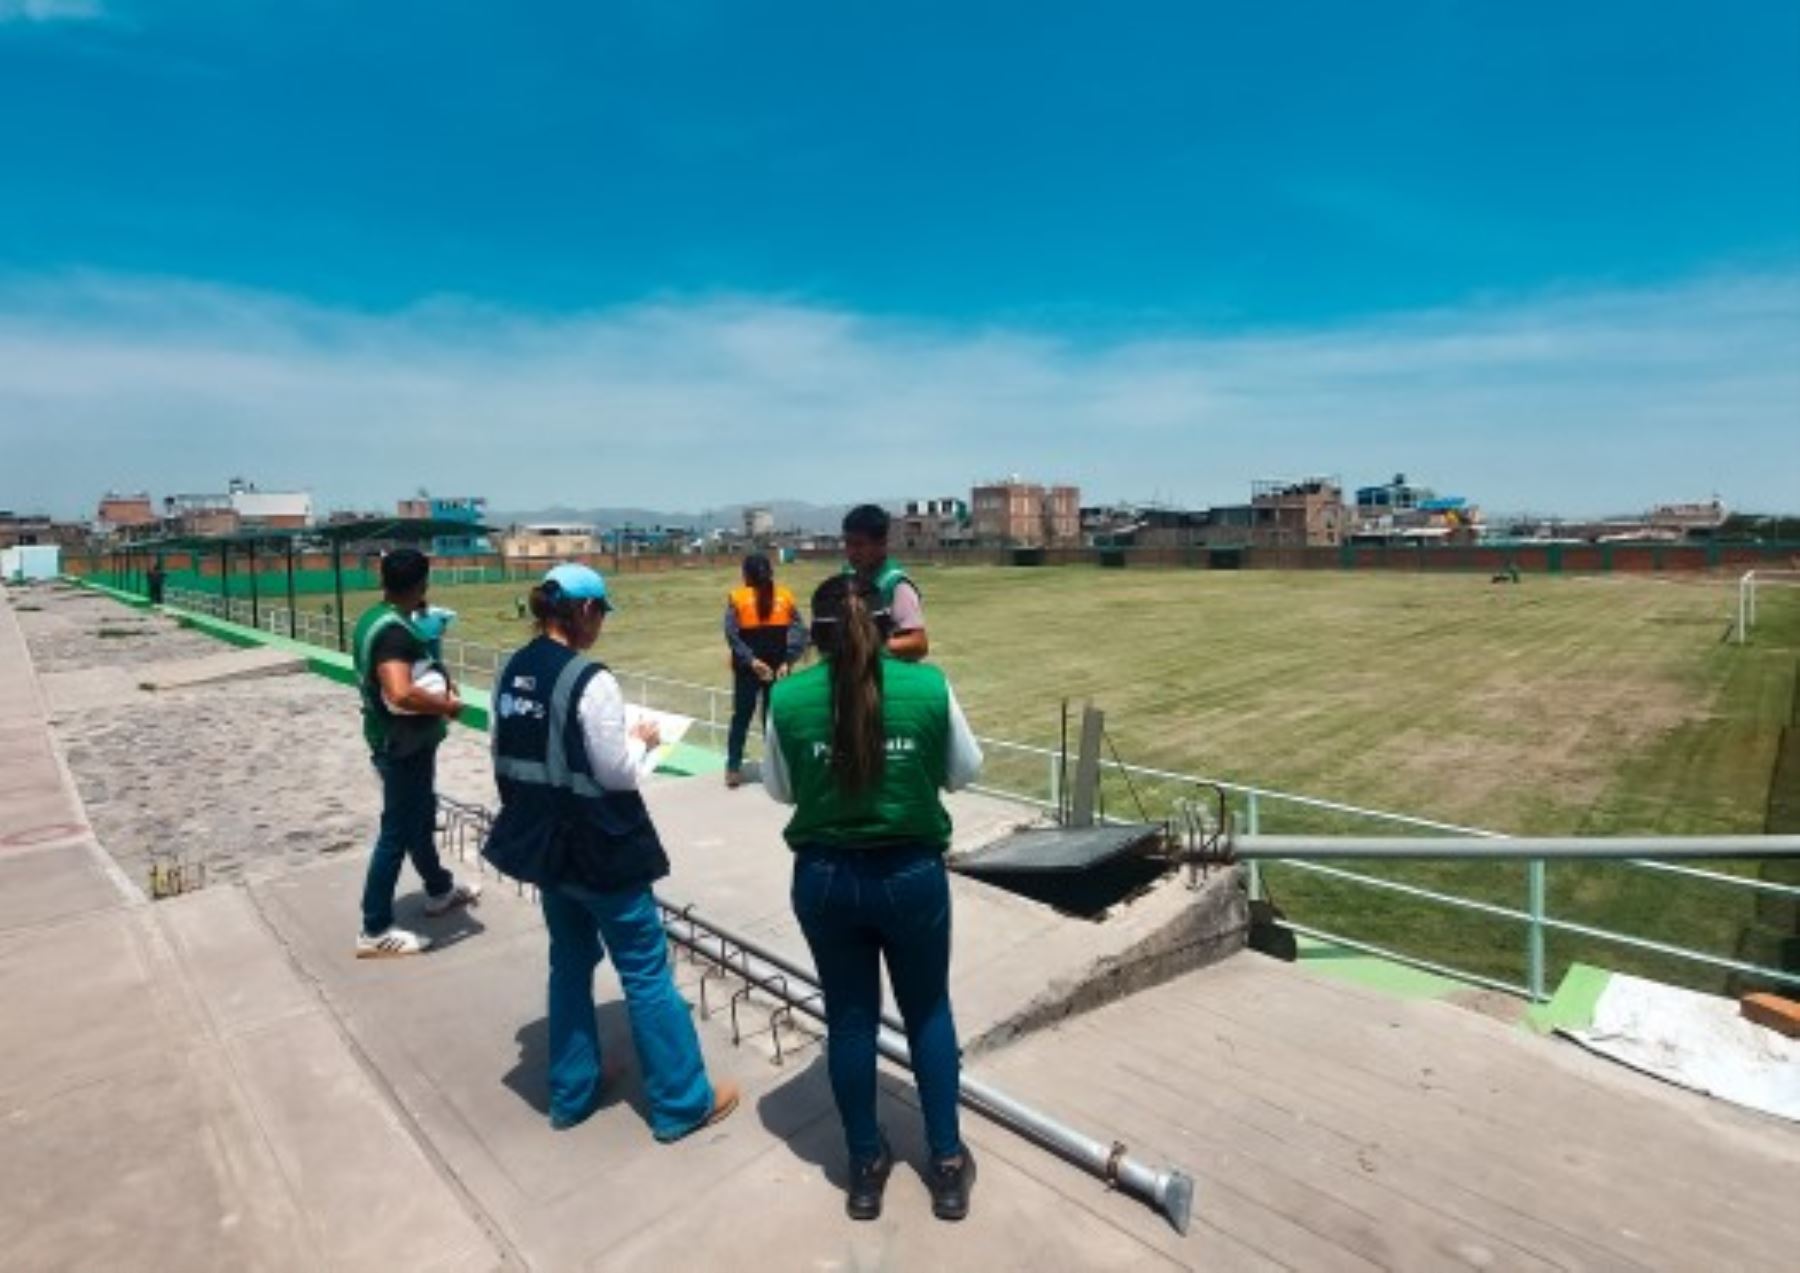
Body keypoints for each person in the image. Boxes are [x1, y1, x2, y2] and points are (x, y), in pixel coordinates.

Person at [482, 563, 739, 1139]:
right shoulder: (588, 678)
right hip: (600, 850)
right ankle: (680, 1102)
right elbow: (616, 773)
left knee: (569, 965)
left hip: (545, 848)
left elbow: (506, 752)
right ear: (586, 611)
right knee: (645, 971)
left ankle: (572, 1092)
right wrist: (642, 741)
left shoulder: (510, 672)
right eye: (600, 614)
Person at [763, 575, 983, 1222]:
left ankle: (865, 1165)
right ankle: (945, 1164)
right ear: (888, 627)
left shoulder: (789, 697)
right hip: (911, 875)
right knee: (928, 1012)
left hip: (826, 878)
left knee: (851, 1019)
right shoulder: (928, 685)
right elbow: (964, 771)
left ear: (817, 634)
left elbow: (780, 790)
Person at [351, 548, 482, 958]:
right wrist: (447, 707)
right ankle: (374, 928)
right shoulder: (393, 632)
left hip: (403, 743)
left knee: (418, 819)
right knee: (397, 832)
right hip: (402, 745)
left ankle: (439, 889)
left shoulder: (375, 619)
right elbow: (400, 692)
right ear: (422, 585)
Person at [722, 553, 808, 789]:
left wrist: (751, 661)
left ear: (746, 574)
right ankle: (778, 769)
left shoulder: (737, 598)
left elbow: (732, 635)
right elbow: (800, 631)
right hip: (776, 668)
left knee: (741, 717)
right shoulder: (785, 596)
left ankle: (733, 768)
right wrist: (787, 662)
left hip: (748, 670)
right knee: (774, 720)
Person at [841, 503, 928, 661]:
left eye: (859, 545)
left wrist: (867, 646)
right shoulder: (848, 576)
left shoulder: (896, 586)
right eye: (848, 543)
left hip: (889, 676)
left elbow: (919, 644)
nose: (851, 552)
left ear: (882, 544)